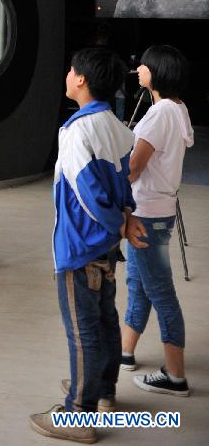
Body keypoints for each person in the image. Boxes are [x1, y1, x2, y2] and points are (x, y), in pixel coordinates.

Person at [30, 47, 139, 444]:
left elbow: (87, 191)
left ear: (81, 80)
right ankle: (103, 389)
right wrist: (125, 218)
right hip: (106, 245)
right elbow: (124, 183)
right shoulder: (117, 126)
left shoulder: (77, 130)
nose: (68, 75)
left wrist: (118, 222)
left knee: (82, 331)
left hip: (80, 246)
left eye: (71, 70)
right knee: (105, 319)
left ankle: (78, 412)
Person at [121, 45, 193, 397]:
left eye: (144, 64)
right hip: (158, 211)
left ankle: (175, 377)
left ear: (158, 71)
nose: (139, 68)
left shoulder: (158, 113)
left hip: (145, 215)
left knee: (161, 293)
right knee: (139, 284)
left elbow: (134, 167)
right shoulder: (177, 109)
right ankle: (125, 352)